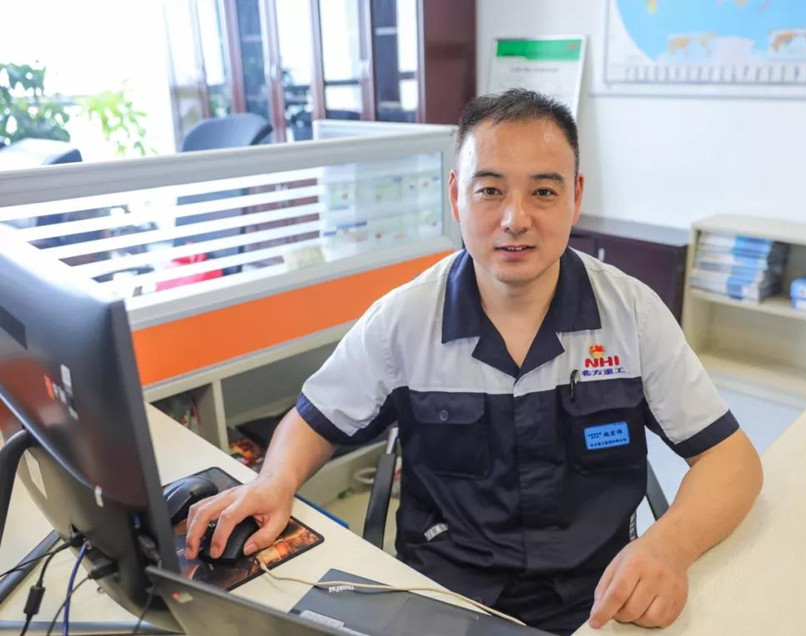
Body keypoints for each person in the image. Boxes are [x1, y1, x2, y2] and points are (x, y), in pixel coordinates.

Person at [185, 88, 763, 634]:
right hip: (445, 598)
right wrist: (276, 480)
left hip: (599, 600)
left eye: (544, 192)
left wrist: (668, 547)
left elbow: (731, 459)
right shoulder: (404, 319)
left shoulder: (631, 314)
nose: (516, 219)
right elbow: (314, 421)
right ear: (456, 195)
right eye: (490, 190)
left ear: (576, 197)